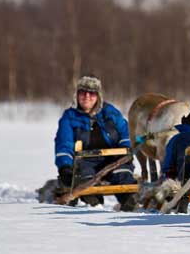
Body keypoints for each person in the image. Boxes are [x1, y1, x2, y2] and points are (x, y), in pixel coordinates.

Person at [54, 75, 137, 211]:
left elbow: (125, 133)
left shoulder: (110, 112)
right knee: (88, 188)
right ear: (77, 95)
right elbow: (64, 144)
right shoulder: (69, 117)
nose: (87, 96)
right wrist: (65, 167)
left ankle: (130, 209)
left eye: (91, 93)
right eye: (83, 92)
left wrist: (126, 150)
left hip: (114, 159)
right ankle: (94, 210)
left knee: (124, 177)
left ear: (98, 96)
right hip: (85, 162)